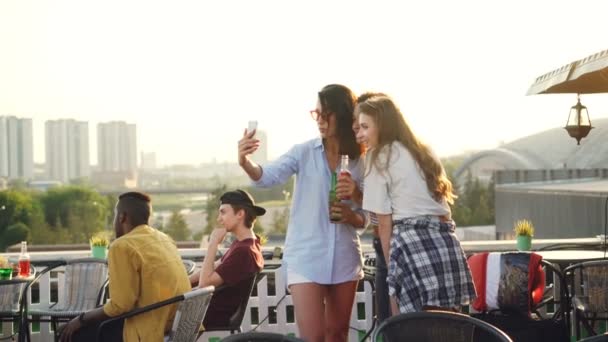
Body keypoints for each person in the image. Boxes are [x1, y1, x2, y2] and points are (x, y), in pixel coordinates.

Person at [237, 84, 366, 342]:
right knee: (313, 338)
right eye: (316, 113)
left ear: (341, 114)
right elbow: (266, 177)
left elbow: (369, 217)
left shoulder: (361, 161)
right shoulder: (304, 152)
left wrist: (354, 200)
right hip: (305, 258)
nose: (319, 120)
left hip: (344, 256)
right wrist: (245, 162)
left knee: (338, 334)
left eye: (325, 113)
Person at [356, 95, 476, 314]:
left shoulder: (377, 157)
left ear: (382, 124)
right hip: (446, 242)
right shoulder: (425, 150)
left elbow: (384, 224)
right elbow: (443, 209)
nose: (360, 134)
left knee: (407, 327)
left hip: (409, 242)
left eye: (365, 127)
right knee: (449, 326)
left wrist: (392, 273)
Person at [59, 192, 191, 342]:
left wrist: (81, 319)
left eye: (115, 216)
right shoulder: (164, 239)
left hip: (149, 328)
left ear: (122, 217)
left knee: (69, 333)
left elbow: (120, 306)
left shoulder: (122, 246)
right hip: (174, 322)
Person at [189, 189, 265, 329]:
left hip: (205, 319)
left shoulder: (244, 251)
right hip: (202, 313)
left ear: (240, 214)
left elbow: (204, 284)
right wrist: (184, 281)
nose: (219, 219)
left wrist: (213, 243)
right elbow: (215, 266)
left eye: (223, 212)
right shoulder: (244, 245)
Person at [348, 91, 391, 323]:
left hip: (393, 245)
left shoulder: (385, 157)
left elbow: (383, 216)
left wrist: (355, 194)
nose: (356, 127)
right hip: (382, 244)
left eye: (362, 122)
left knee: (395, 323)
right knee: (387, 321)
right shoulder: (369, 157)